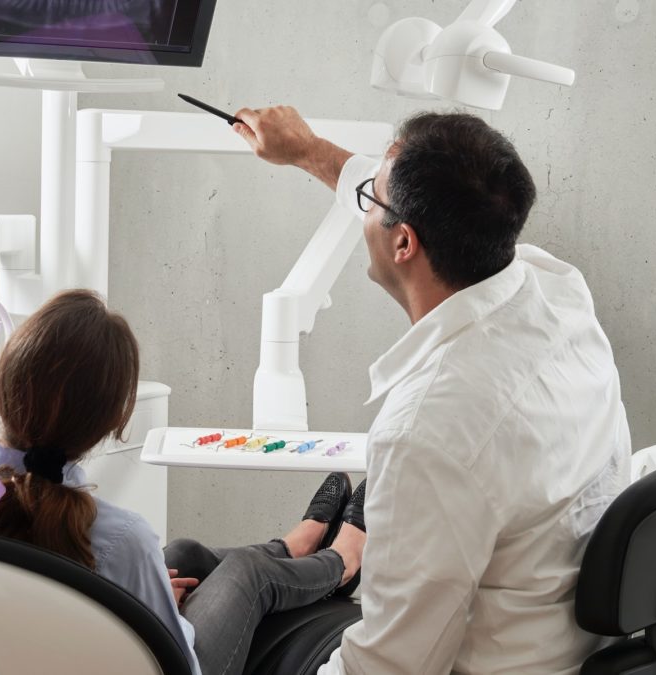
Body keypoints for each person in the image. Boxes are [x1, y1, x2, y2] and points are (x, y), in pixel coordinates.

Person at [230, 107, 632, 674]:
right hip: (552, 637)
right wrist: (307, 150)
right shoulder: (557, 291)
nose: (364, 201)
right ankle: (331, 560)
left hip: (458, 660)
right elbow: (411, 204)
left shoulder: (429, 430)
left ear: (404, 244)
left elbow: (390, 667)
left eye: (373, 195)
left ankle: (319, 562)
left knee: (230, 602)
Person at [0, 289, 368, 675]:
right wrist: (158, 616)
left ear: (2, 378)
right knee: (249, 571)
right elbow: (178, 662)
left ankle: (290, 548)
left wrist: (149, 596)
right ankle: (341, 563)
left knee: (183, 552)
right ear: (113, 423)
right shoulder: (122, 539)